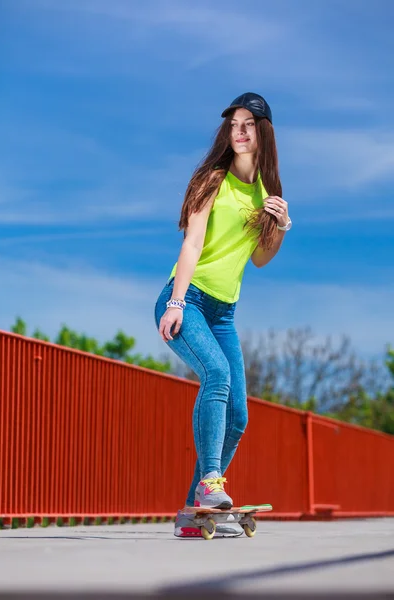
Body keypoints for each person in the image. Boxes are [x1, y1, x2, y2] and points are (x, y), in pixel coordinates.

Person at [154, 92, 291, 538]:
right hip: (187, 298)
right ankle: (211, 485)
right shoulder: (212, 180)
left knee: (239, 416)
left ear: (264, 132)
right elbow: (192, 244)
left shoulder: (267, 194)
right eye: (234, 122)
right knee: (216, 373)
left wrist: (281, 228)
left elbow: (261, 259)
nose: (240, 130)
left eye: (249, 123)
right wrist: (175, 302)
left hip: (223, 314)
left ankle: (196, 516)